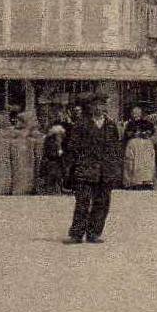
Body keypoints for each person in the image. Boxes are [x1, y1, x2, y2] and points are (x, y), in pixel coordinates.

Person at [64, 94, 122, 245]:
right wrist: (72, 168)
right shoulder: (81, 125)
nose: (98, 108)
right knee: (82, 203)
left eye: (101, 105)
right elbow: (72, 148)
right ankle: (76, 234)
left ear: (105, 107)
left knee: (102, 203)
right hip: (85, 170)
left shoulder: (111, 126)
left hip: (105, 171)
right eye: (95, 105)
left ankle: (94, 233)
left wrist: (115, 169)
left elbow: (116, 149)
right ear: (89, 107)